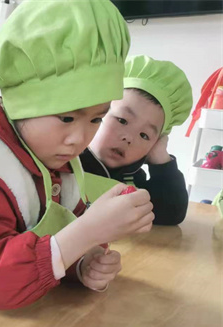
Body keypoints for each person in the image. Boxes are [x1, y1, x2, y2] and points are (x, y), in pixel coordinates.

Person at [0, 0, 154, 310]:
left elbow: (61, 234)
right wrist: (88, 231)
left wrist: (84, 262)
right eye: (67, 117)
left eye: (96, 119)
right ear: (22, 105)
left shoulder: (58, 163)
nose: (80, 139)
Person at [81, 55, 193, 225]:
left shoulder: (134, 182)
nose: (129, 138)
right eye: (122, 120)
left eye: (144, 135)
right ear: (98, 112)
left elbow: (172, 214)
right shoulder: (66, 163)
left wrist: (161, 160)